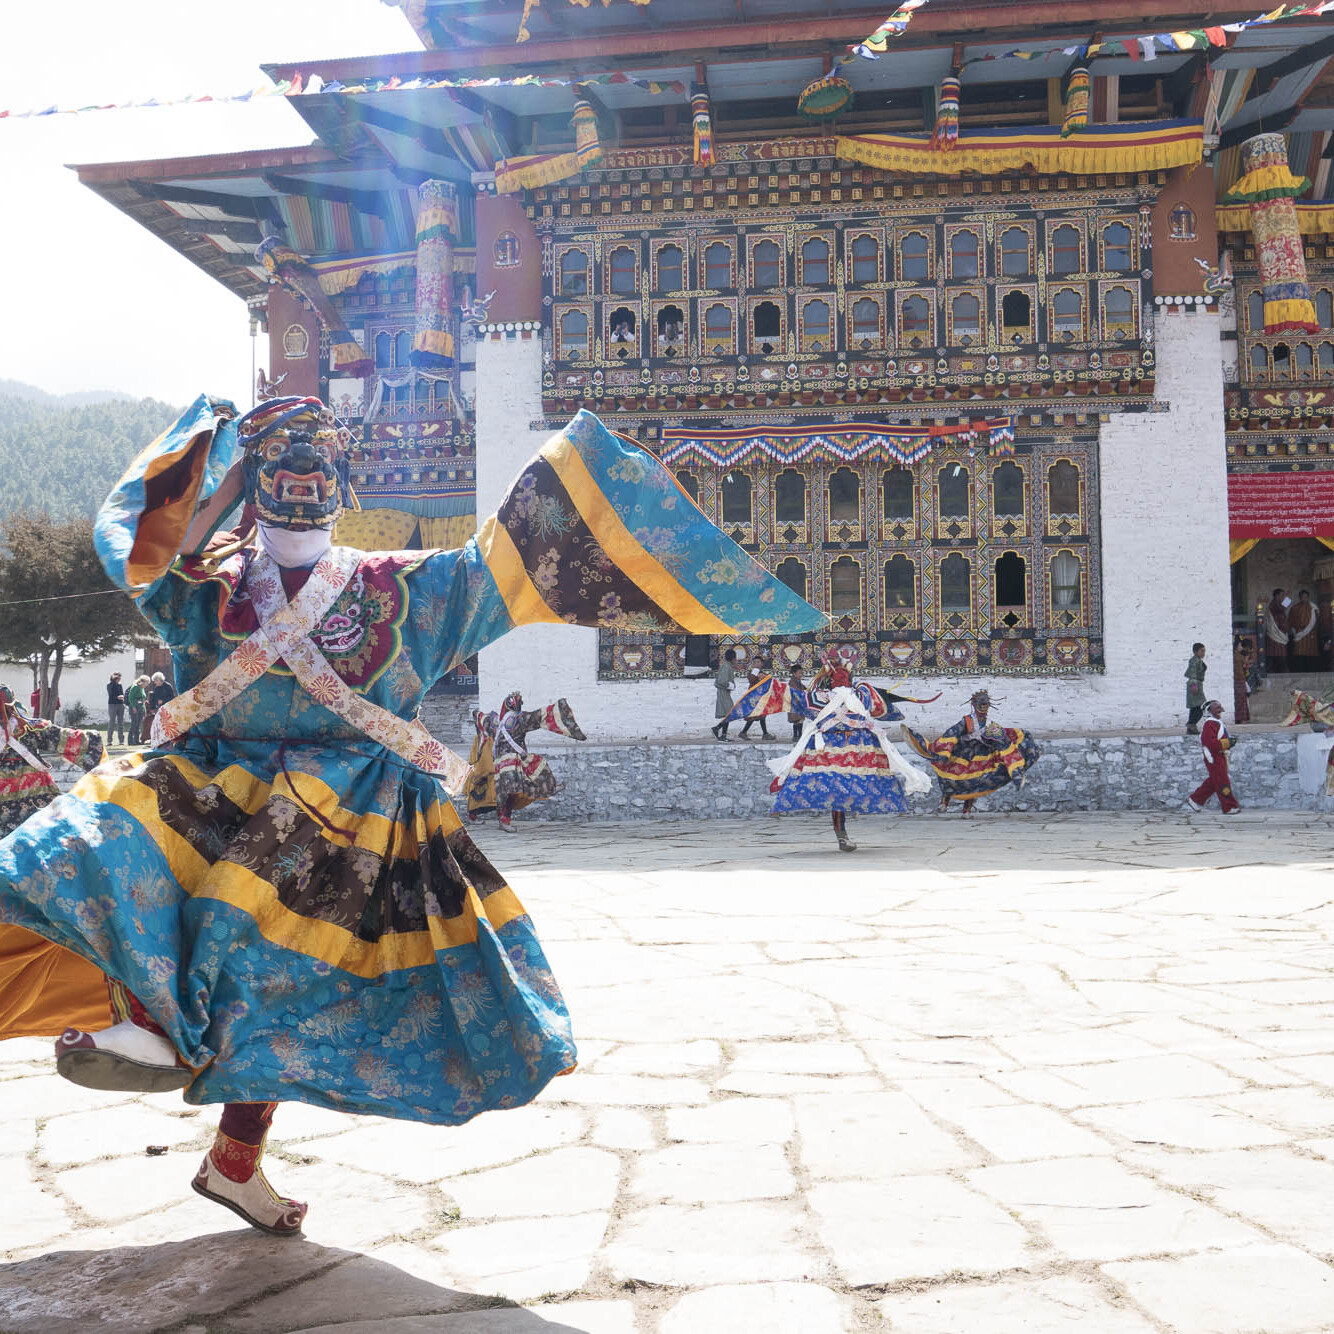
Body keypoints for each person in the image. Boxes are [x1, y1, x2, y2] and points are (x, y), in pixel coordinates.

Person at [0, 397, 823, 1237]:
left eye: (303, 461)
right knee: (98, 849)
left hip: (329, 821)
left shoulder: (319, 589)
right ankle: (162, 1042)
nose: (303, 475)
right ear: (316, 483)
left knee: (250, 952)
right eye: (290, 462)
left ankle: (215, 1125)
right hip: (249, 800)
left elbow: (159, 560)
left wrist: (232, 480)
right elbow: (504, 556)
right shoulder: (295, 588)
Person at [768, 649, 930, 852]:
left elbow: (795, 699)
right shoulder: (862, 695)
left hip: (827, 753)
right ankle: (846, 830)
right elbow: (880, 707)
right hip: (859, 753)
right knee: (866, 783)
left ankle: (841, 834)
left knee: (835, 791)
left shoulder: (819, 698)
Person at [903, 689, 1041, 817]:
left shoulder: (991, 726)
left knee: (975, 782)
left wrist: (1015, 770)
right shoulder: (967, 721)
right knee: (949, 778)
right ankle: (944, 802)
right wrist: (944, 752)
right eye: (981, 704)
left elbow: (1004, 744)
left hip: (979, 757)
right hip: (961, 753)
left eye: (986, 704)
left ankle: (966, 810)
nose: (984, 707)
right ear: (974, 704)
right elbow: (952, 733)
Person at [467, 692, 586, 831]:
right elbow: (541, 715)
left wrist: (476, 714)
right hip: (512, 762)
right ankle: (549, 789)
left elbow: (482, 718)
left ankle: (485, 817)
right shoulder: (520, 719)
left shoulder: (495, 721)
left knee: (505, 790)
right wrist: (560, 707)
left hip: (500, 764)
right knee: (517, 786)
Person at [0, 686, 103, 839]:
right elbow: (64, 739)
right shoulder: (30, 727)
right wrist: (92, 738)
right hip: (36, 803)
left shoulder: (28, 727)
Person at [1187, 699, 1240, 814]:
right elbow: (1210, 744)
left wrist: (1229, 741)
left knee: (1214, 781)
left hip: (1220, 756)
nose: (1220, 710)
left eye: (1220, 707)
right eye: (1217, 708)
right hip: (1213, 757)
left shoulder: (1216, 723)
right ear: (1209, 711)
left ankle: (1195, 799)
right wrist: (1227, 743)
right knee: (1222, 782)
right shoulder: (1209, 724)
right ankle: (1229, 806)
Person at [739, 656, 774, 740]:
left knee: (761, 715)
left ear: (762, 664)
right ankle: (744, 732)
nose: (756, 664)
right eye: (754, 662)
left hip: (760, 696)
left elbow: (768, 681)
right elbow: (751, 679)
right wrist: (756, 672)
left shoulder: (762, 673)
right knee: (755, 715)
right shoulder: (753, 672)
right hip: (753, 697)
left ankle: (764, 734)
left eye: (758, 662)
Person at [711, 648, 738, 740]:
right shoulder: (726, 667)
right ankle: (718, 730)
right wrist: (730, 685)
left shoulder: (727, 666)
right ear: (732, 658)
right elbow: (722, 681)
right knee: (729, 713)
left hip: (725, 693)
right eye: (735, 658)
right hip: (723, 692)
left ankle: (720, 732)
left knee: (728, 713)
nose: (736, 660)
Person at [1289, 589, 1319, 671]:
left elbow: (1317, 620)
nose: (1304, 598)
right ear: (1300, 598)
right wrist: (1296, 631)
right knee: (1300, 655)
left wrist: (1312, 629)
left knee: (1310, 655)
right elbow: (1291, 621)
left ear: (1308, 597)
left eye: (1306, 597)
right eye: (1303, 597)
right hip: (1299, 635)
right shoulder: (1295, 608)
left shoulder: (1313, 607)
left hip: (1310, 635)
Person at [1184, 642, 1208, 735]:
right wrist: (1194, 685)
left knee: (1194, 707)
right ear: (1195, 651)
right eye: (1201, 651)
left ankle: (1191, 727)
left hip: (1197, 684)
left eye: (1204, 651)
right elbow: (1192, 673)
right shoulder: (1194, 661)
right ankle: (1191, 724)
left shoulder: (1198, 660)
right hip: (1194, 684)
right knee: (1200, 706)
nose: (1203, 653)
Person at [1265, 588, 1290, 674]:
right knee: (1276, 654)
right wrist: (1287, 599)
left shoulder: (1278, 603)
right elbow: (1282, 609)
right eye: (1282, 595)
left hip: (1280, 633)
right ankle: (1278, 670)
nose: (1283, 597)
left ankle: (1279, 670)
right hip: (1275, 633)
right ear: (1276, 596)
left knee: (1279, 654)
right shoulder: (1274, 604)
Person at [1233, 639, 1253, 725]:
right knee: (1241, 701)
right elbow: (1244, 664)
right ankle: (1242, 719)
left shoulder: (1238, 655)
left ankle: (1241, 719)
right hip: (1239, 679)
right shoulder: (1237, 655)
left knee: (1240, 701)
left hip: (1240, 679)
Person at [125, 675, 149, 746]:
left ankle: (136, 740)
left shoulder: (142, 688)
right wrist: (133, 707)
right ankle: (130, 741)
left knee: (138, 724)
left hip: (140, 708)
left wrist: (144, 709)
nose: (147, 685)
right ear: (142, 682)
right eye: (146, 683)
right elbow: (131, 697)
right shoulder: (135, 687)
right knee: (134, 724)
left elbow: (143, 699)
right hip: (134, 707)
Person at [786, 663, 806, 742]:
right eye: (799, 673)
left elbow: (802, 687)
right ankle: (795, 736)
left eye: (801, 673)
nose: (801, 675)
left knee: (800, 720)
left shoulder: (798, 681)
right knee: (796, 720)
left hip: (798, 704)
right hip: (795, 704)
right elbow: (794, 692)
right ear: (794, 673)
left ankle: (799, 735)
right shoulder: (792, 682)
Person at [106, 672, 126, 746]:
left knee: (120, 722)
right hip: (112, 705)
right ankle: (109, 741)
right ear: (114, 678)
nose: (119, 679)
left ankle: (121, 740)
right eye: (118, 677)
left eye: (120, 677)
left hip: (120, 704)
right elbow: (111, 695)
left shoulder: (120, 685)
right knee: (112, 722)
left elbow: (122, 693)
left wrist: (123, 697)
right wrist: (118, 697)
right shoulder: (110, 685)